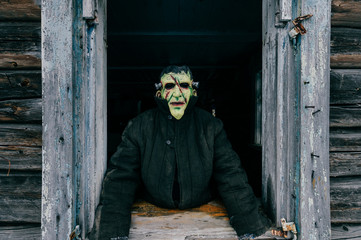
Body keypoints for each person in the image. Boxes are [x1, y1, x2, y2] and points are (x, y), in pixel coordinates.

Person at [94, 66, 277, 240]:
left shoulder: (210, 126)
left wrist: (250, 225)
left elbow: (230, 175)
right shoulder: (139, 126)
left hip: (201, 203)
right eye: (169, 86)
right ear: (159, 93)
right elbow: (120, 179)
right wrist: (114, 232)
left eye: (184, 85)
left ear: (193, 92)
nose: (177, 92)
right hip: (153, 204)